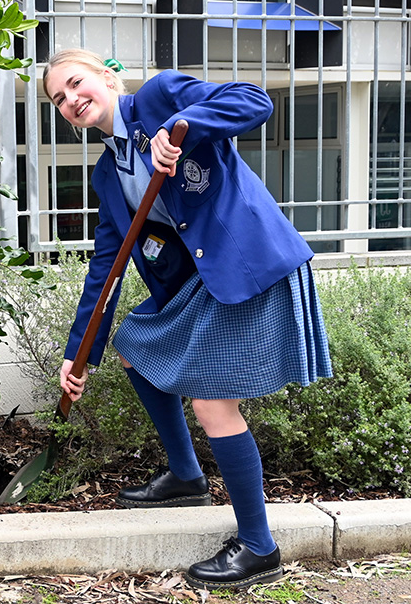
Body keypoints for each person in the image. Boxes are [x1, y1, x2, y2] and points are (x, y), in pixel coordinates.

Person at [43, 49, 332, 590]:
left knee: (211, 402)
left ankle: (259, 547)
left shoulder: (161, 97)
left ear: (107, 78)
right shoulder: (107, 173)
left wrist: (181, 128)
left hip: (244, 263)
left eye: (77, 83)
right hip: (196, 283)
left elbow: (253, 101)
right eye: (59, 99)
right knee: (133, 347)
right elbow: (106, 266)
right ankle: (186, 474)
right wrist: (78, 352)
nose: (71, 100)